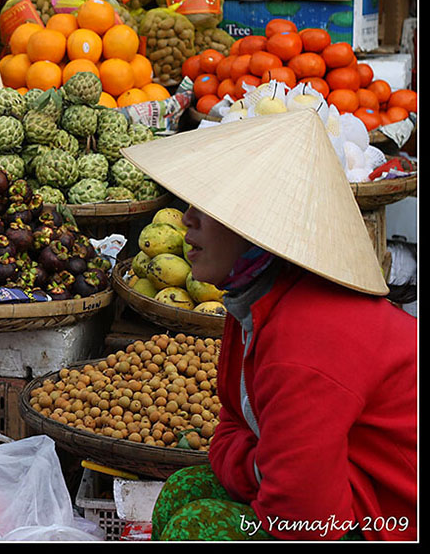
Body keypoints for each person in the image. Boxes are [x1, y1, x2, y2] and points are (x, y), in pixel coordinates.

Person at [120, 109, 417, 541]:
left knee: (194, 530)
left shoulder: (306, 337)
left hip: (392, 522)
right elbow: (229, 427)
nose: (186, 219)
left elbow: (305, 520)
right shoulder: (256, 302)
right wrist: (263, 467)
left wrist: (264, 467)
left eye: (208, 208)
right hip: (337, 492)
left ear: (257, 230)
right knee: (183, 489)